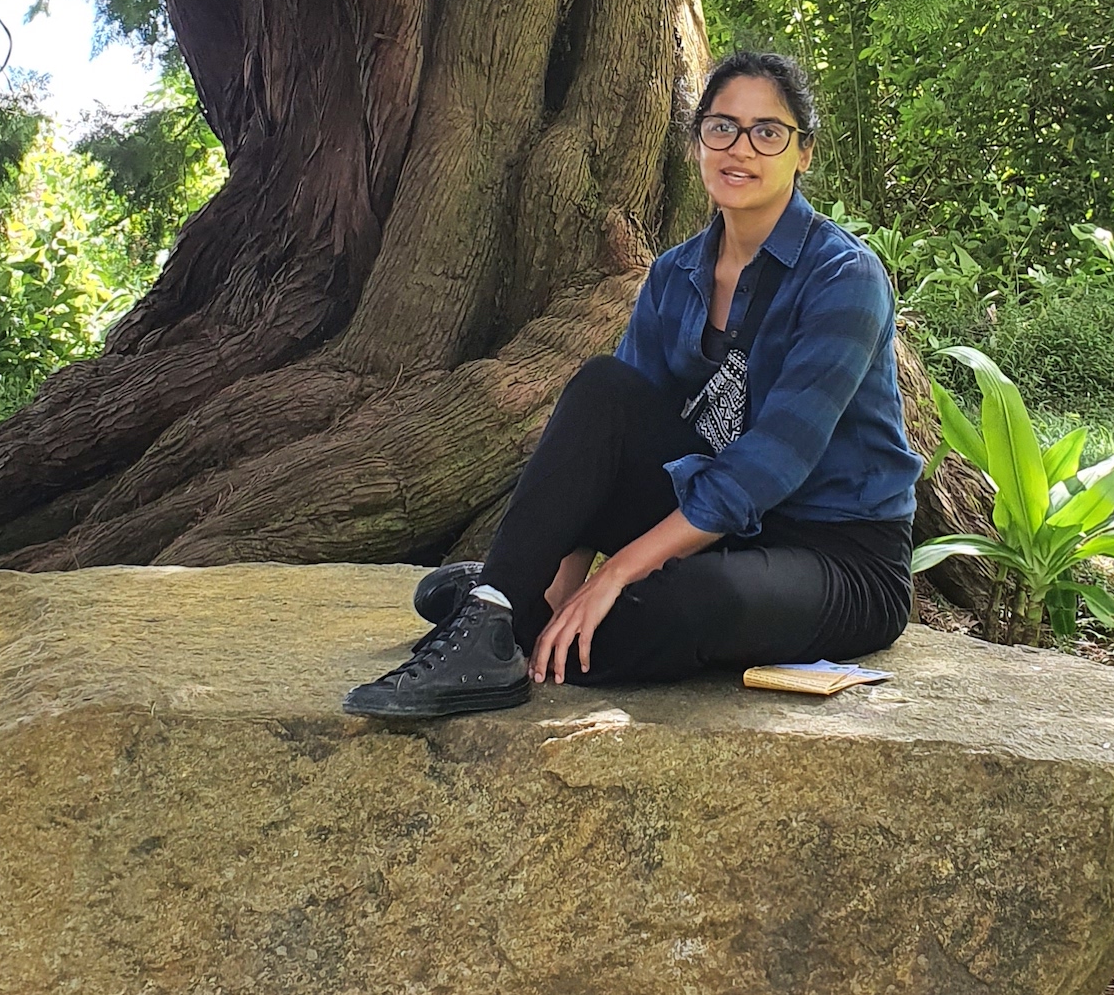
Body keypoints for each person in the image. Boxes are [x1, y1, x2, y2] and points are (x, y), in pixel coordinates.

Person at [343, 51, 922, 719]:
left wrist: (616, 572)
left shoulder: (843, 277)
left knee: (691, 606)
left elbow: (773, 463)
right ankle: (497, 613)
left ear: (804, 153)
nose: (742, 148)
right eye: (722, 127)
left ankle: (511, 614)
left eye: (769, 132)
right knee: (602, 386)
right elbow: (604, 447)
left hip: (839, 556)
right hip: (719, 530)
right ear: (698, 140)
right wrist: (560, 586)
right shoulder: (675, 274)